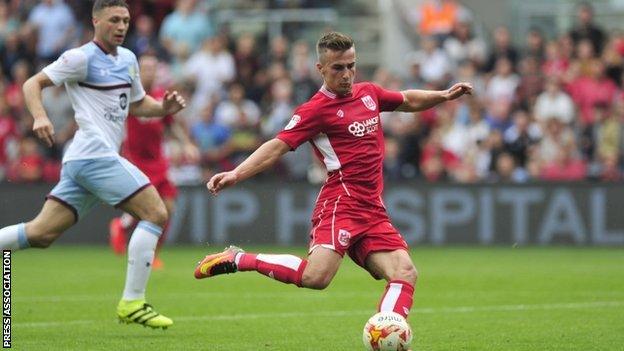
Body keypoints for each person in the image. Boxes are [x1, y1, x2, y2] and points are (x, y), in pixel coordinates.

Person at [194, 32, 472, 327]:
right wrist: (237, 173)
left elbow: (406, 99)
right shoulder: (315, 110)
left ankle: (387, 334)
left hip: (372, 209)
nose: (347, 74)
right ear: (320, 69)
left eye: (351, 65)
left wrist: (443, 96)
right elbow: (276, 147)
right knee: (316, 278)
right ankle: (238, 259)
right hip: (341, 203)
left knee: (405, 272)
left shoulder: (369, 93)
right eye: (338, 68)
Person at [0, 0, 186, 329]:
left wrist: (164, 109)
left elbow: (139, 106)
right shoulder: (80, 58)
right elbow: (32, 84)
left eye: (126, 20)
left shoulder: (128, 59)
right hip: (94, 154)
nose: (121, 26)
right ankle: (133, 302)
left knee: (41, 233)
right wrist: (40, 116)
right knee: (156, 212)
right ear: (96, 20)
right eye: (114, 19)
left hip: (83, 161)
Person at [109, 54, 199, 269]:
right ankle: (122, 225)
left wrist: (186, 144)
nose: (149, 72)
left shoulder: (161, 96)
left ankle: (153, 253)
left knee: (168, 209)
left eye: (153, 68)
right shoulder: (129, 95)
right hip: (136, 160)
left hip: (159, 160)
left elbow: (171, 124)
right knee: (148, 208)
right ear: (137, 71)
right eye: (145, 68)